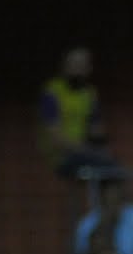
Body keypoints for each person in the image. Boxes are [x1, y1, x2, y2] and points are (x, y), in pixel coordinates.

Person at [39, 47, 115, 180]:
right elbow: (55, 139)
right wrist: (88, 150)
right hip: (60, 156)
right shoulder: (52, 93)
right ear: (64, 66)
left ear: (89, 68)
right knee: (108, 170)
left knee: (114, 169)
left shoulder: (89, 93)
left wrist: (102, 148)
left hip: (84, 153)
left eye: (81, 65)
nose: (77, 69)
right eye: (73, 64)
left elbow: (96, 129)